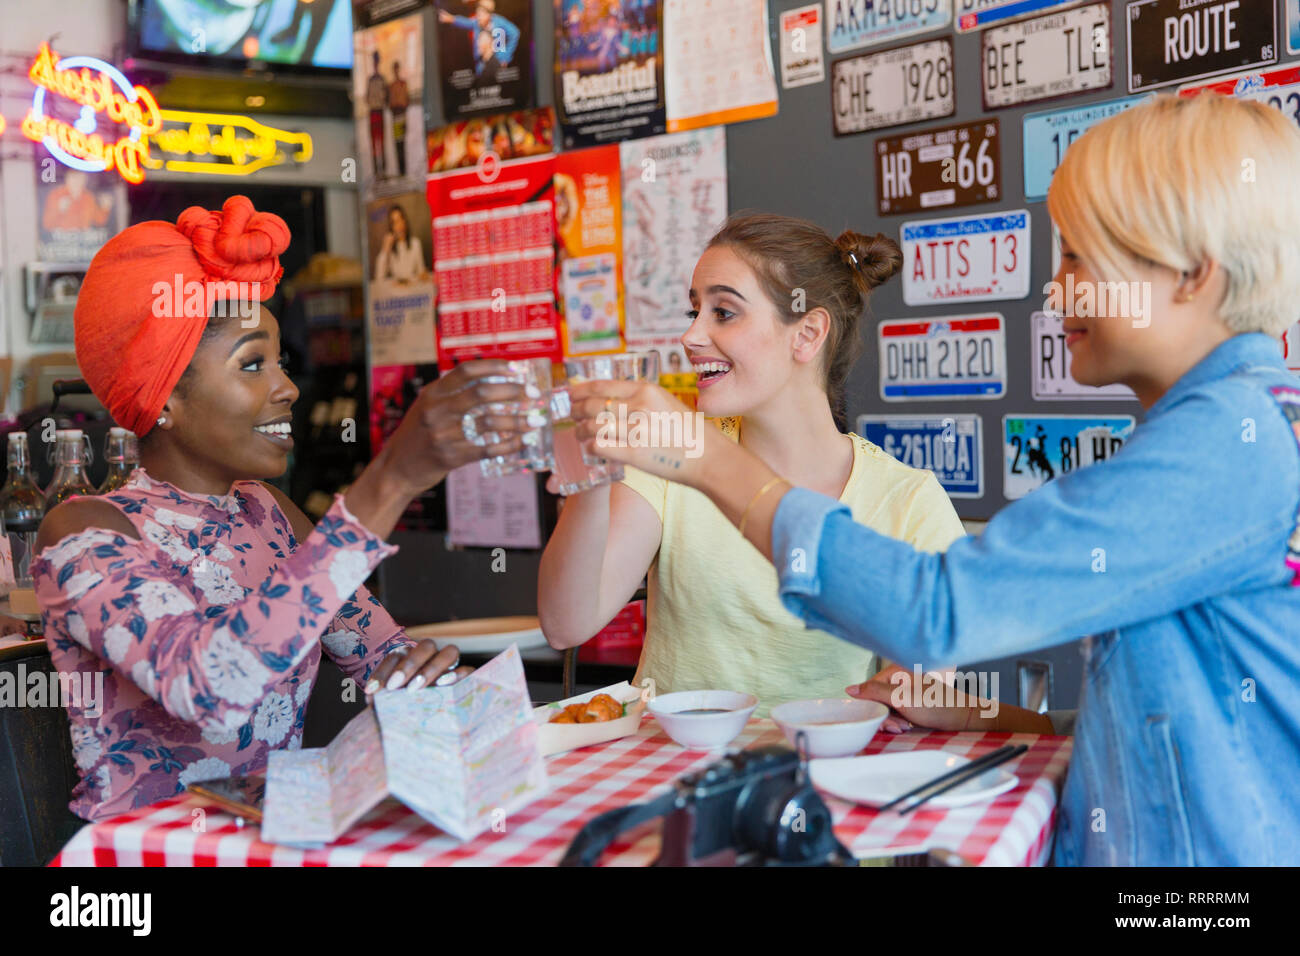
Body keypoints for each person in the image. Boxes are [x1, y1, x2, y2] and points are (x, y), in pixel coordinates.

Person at [567, 94, 1300, 864]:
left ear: (1193, 274)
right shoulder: (1241, 425)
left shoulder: (1223, 445)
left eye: (1082, 256)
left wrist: (707, 460)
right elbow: (1176, 717)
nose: (1056, 290)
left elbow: (937, 611)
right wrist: (997, 717)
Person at [34, 196, 532, 821]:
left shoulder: (270, 512)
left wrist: (419, 677)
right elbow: (209, 686)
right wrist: (390, 479)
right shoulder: (84, 530)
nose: (287, 387)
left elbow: (379, 654)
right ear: (164, 398)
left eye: (280, 361)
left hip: (274, 840)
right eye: (252, 364)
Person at [539, 212, 977, 719]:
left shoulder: (907, 499)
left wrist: (908, 684)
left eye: (723, 312)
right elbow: (566, 624)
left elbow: (922, 684)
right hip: (668, 773)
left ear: (807, 333)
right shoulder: (665, 458)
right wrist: (591, 472)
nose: (691, 336)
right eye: (693, 311)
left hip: (818, 776)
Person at [440, 1, 520, 72]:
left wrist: (506, 57)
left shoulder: (499, 22)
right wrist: (451, 19)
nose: (478, 18)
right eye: (478, 14)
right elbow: (466, 22)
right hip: (481, 65)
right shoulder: (476, 22)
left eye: (481, 14)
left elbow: (515, 33)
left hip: (497, 64)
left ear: (489, 15)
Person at [374, 205, 426, 283]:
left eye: (400, 219)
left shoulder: (416, 243)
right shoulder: (390, 248)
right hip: (396, 291)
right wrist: (385, 250)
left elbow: (421, 272)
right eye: (394, 222)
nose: (399, 225)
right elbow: (379, 277)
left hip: (413, 288)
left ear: (405, 221)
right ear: (391, 227)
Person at [365, 50, 387, 178]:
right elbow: (367, 97)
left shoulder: (381, 79)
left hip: (379, 111)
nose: (375, 63)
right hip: (373, 112)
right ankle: (375, 170)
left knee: (381, 141)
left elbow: (386, 95)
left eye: (376, 60)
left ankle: (382, 168)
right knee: (374, 142)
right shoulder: (371, 80)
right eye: (374, 60)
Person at [388, 60, 410, 178]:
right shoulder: (391, 86)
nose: (396, 71)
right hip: (395, 115)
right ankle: (400, 170)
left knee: (402, 143)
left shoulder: (403, 83)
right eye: (394, 68)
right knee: (398, 143)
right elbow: (389, 102)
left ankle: (404, 169)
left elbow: (407, 100)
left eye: (397, 68)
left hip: (402, 114)